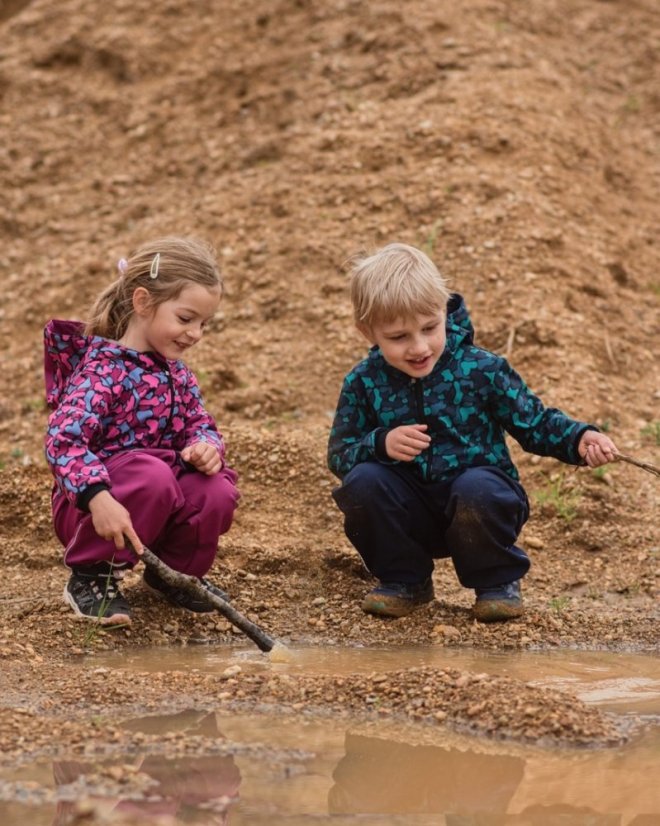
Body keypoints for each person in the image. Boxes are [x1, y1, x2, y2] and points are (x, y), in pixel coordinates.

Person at [327, 242, 618, 622]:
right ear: (368, 331)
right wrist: (380, 443)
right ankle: (405, 581)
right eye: (399, 337)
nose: (419, 347)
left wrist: (580, 439)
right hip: (408, 511)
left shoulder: (482, 369)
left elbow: (536, 423)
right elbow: (339, 453)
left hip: (479, 506)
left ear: (444, 311)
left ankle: (496, 584)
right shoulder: (363, 382)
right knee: (363, 482)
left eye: (430, 328)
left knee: (478, 488)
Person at [44, 236, 240, 627]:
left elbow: (200, 423)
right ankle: (93, 576)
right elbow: (63, 441)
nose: (195, 334)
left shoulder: (178, 374)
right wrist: (97, 499)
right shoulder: (102, 371)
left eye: (204, 324)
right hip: (93, 507)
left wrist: (205, 446)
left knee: (213, 486)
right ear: (143, 303)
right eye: (186, 319)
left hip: (157, 498)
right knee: (152, 474)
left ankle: (174, 575)